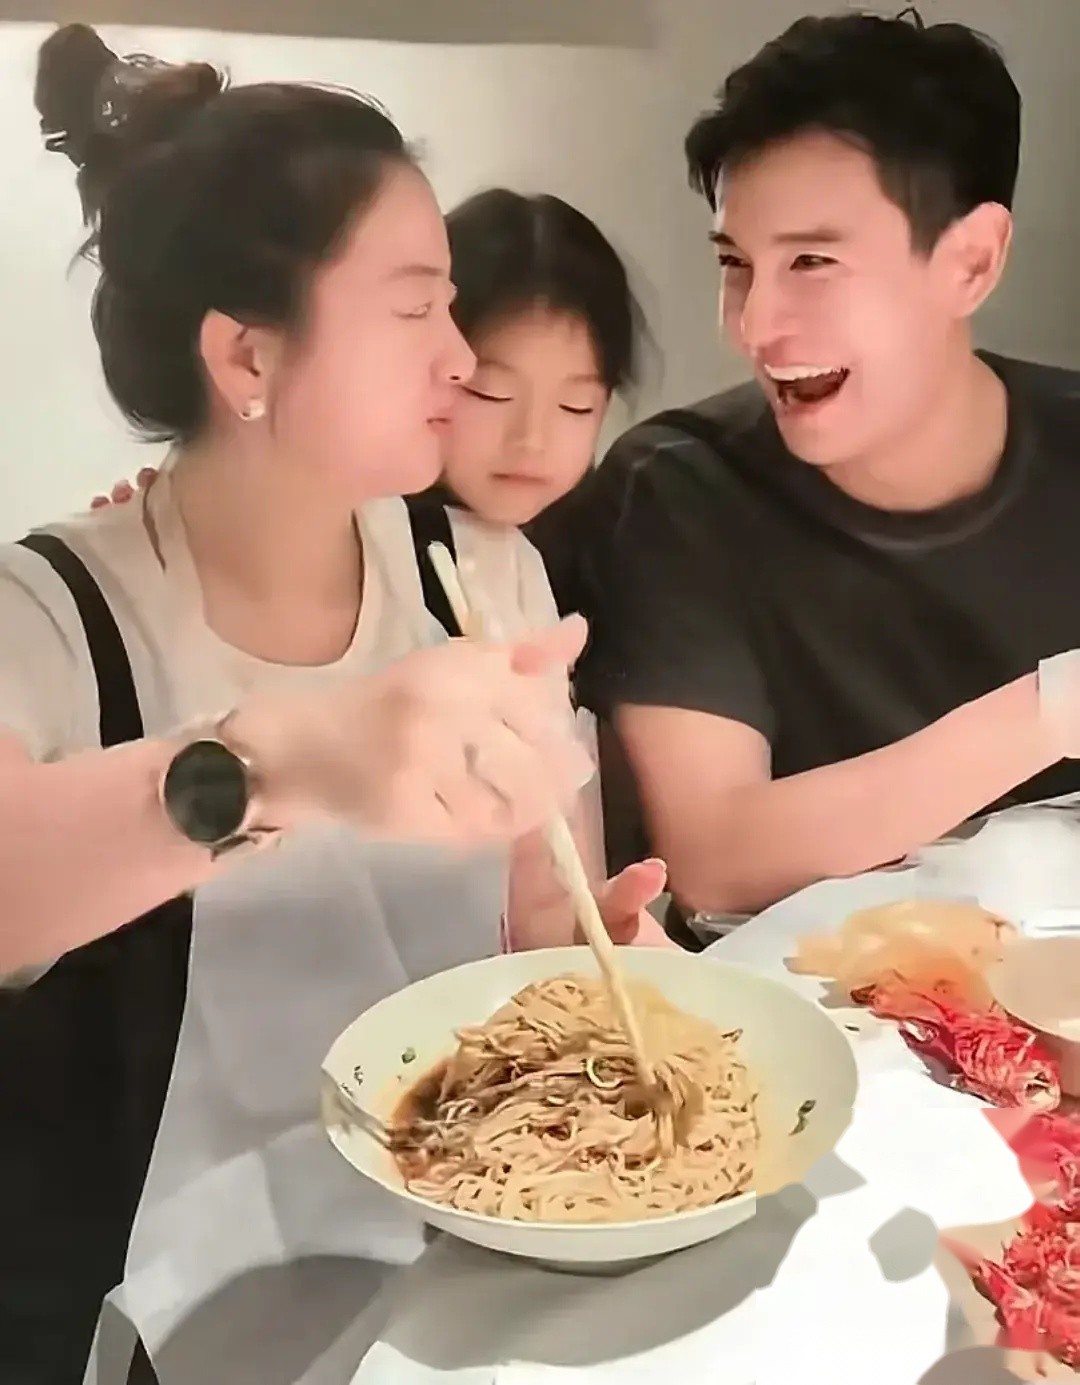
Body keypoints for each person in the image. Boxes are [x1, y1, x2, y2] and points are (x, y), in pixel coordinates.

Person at [1, 25, 663, 1384]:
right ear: (248, 358)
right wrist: (283, 761)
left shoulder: (478, 572)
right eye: (417, 309)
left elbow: (537, 910)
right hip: (163, 1309)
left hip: (470, 1255)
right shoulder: (56, 609)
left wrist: (575, 935)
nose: (460, 358)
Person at [574, 10, 1080, 943]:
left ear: (971, 261)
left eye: (812, 261)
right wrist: (1057, 707)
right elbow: (715, 852)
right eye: (736, 264)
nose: (754, 325)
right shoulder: (679, 487)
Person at [95, 183, 656, 894]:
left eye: (577, 405)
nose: (533, 441)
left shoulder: (561, 551)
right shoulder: (355, 549)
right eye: (489, 392)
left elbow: (553, 877)